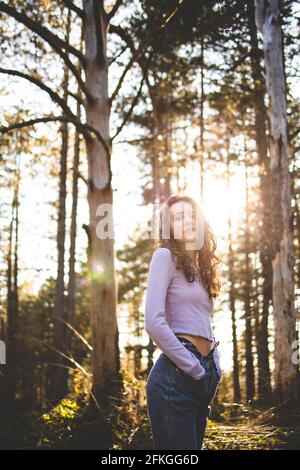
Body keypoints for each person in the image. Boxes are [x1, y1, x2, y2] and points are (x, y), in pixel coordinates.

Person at [144, 194, 222, 450]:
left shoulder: (199, 268)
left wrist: (211, 368)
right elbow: (154, 322)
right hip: (176, 377)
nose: (187, 221)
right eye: (178, 217)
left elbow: (201, 321)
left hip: (204, 373)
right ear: (169, 227)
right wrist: (193, 367)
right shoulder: (164, 256)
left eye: (191, 215)